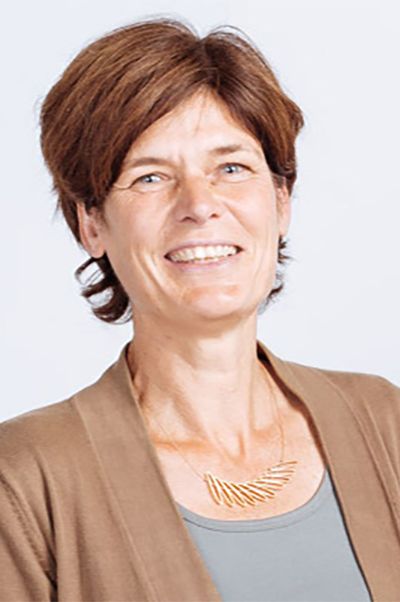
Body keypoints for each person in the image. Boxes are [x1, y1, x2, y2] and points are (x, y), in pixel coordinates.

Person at [0, 16, 399, 602]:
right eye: (150, 177)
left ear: (281, 199)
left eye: (231, 168)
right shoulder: (23, 478)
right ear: (92, 223)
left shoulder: (386, 422)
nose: (200, 205)